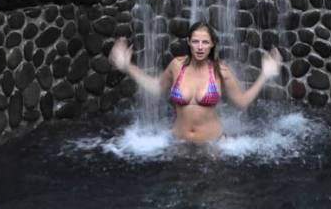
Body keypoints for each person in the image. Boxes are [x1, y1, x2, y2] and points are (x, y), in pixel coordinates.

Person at [108, 21, 282, 143]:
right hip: (179, 144)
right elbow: (156, 88)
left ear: (212, 44)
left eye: (205, 42)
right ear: (189, 43)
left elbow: (242, 102)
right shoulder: (177, 66)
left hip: (212, 145)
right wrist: (127, 67)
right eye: (196, 42)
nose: (200, 47)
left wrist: (264, 75)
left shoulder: (220, 70)